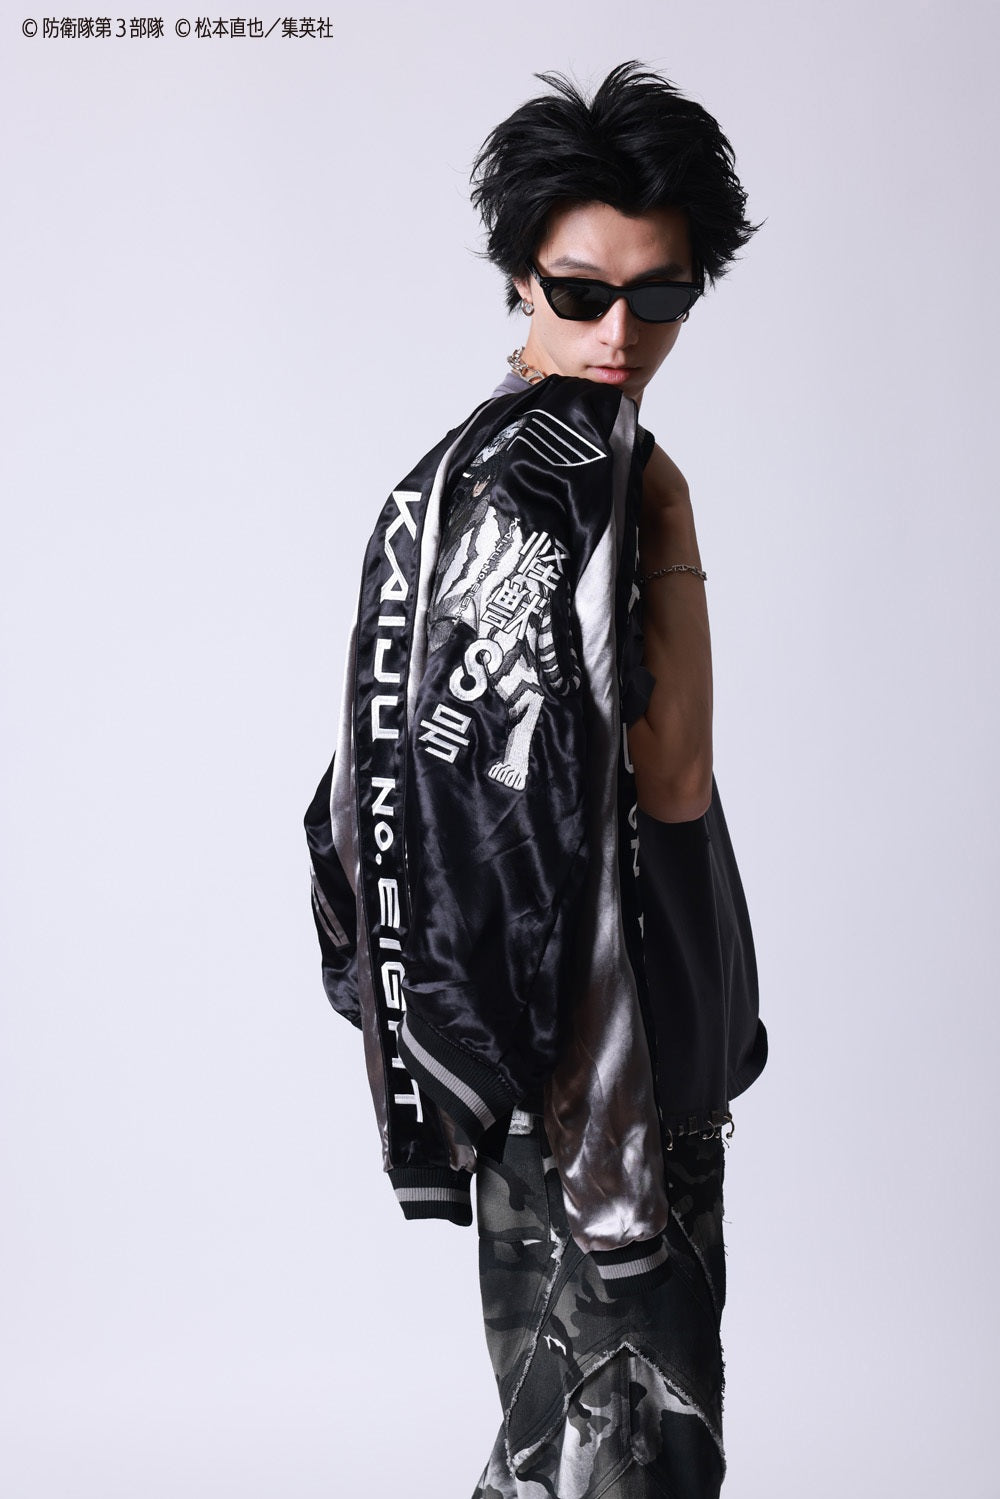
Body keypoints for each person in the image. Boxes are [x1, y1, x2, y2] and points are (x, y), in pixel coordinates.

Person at [305, 61, 767, 1499]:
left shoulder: (459, 479)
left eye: (662, 296)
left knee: (549, 1442)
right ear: (520, 280)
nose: (621, 334)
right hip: (610, 1065)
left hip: (519, 1055)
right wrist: (671, 511)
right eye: (581, 293)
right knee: (633, 1451)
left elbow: (370, 776)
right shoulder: (588, 484)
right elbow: (670, 775)